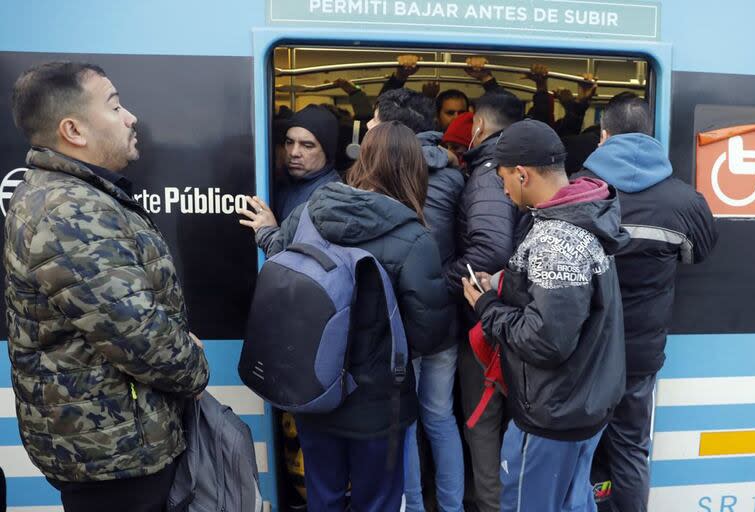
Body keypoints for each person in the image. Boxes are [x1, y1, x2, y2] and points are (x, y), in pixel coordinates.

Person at [4, 61, 209, 512]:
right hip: (115, 456)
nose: (131, 117)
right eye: (115, 106)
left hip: (106, 445)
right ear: (73, 130)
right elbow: (140, 337)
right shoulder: (71, 209)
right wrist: (193, 367)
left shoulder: (67, 193)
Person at [238, 121, 451, 512]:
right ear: (415, 171)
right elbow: (429, 334)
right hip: (377, 406)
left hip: (312, 391)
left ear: (362, 160)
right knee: (378, 502)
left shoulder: (309, 212)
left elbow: (284, 259)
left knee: (323, 497)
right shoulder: (416, 240)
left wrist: (267, 233)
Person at [463, 119, 628, 512]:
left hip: (554, 413)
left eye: (504, 179)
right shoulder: (580, 213)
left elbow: (546, 340)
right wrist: (504, 283)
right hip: (584, 402)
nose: (503, 189)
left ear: (522, 174)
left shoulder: (557, 239)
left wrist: (486, 307)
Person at [578, 95, 718, 512]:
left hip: (585, 350)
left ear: (604, 137)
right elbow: (700, 252)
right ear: (650, 136)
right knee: (631, 450)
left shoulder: (577, 193)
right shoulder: (685, 202)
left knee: (577, 448)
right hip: (641, 354)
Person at [368, 88, 466, 512]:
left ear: (393, 133)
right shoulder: (456, 175)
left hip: (401, 320)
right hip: (444, 316)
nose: (370, 128)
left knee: (404, 422)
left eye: (375, 121)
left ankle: (411, 504)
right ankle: (452, 506)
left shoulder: (379, 180)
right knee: (441, 418)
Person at [442, 92, 524, 512]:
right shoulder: (509, 171)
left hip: (486, 324)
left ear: (478, 128)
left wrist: (443, 279)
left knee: (482, 423)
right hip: (508, 317)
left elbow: (490, 251)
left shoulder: (489, 175)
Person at [275, 104, 341, 222]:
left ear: (327, 151)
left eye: (307, 146)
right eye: (289, 142)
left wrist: (268, 230)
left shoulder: (330, 198)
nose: (294, 152)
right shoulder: (286, 183)